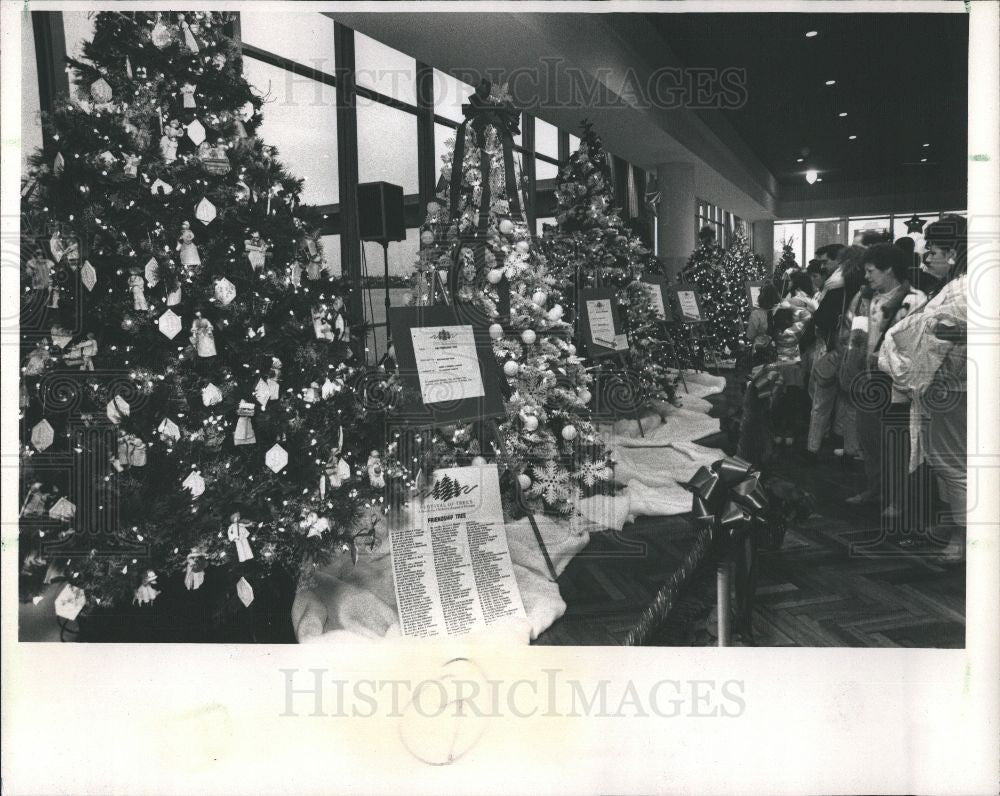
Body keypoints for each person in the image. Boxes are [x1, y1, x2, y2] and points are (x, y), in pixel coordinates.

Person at [880, 216, 967, 561]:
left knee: (952, 463)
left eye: (933, 248)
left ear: (954, 250)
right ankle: (952, 525)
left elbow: (945, 334)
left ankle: (963, 539)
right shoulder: (958, 285)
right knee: (944, 461)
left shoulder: (963, 288)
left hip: (954, 387)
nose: (927, 255)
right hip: (948, 386)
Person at [843, 244, 926, 518]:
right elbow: (855, 339)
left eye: (871, 270)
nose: (866, 276)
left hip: (897, 385)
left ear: (889, 268)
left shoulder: (914, 300)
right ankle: (875, 489)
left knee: (897, 446)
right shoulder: (868, 299)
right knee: (870, 441)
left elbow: (917, 346)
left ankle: (898, 499)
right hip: (868, 380)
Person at [805, 245, 866, 459]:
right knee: (848, 406)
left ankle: (813, 448)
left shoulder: (835, 289)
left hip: (833, 351)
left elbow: (822, 320)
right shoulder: (867, 294)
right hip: (857, 358)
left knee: (820, 403)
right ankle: (846, 448)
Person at [746, 282, 780, 366]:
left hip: (760, 352)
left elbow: (750, 335)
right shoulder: (780, 311)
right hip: (779, 351)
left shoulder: (756, 314)